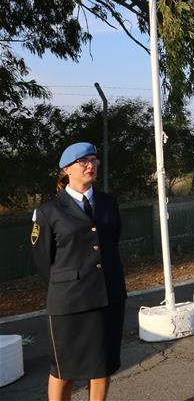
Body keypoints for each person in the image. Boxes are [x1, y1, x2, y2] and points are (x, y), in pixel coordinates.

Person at [32, 142, 127, 401]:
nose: (91, 165)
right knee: (64, 368)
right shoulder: (48, 211)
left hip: (107, 296)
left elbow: (111, 241)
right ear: (66, 170)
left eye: (94, 159)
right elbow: (43, 260)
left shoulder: (108, 202)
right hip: (70, 302)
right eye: (83, 161)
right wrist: (70, 283)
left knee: (102, 363)